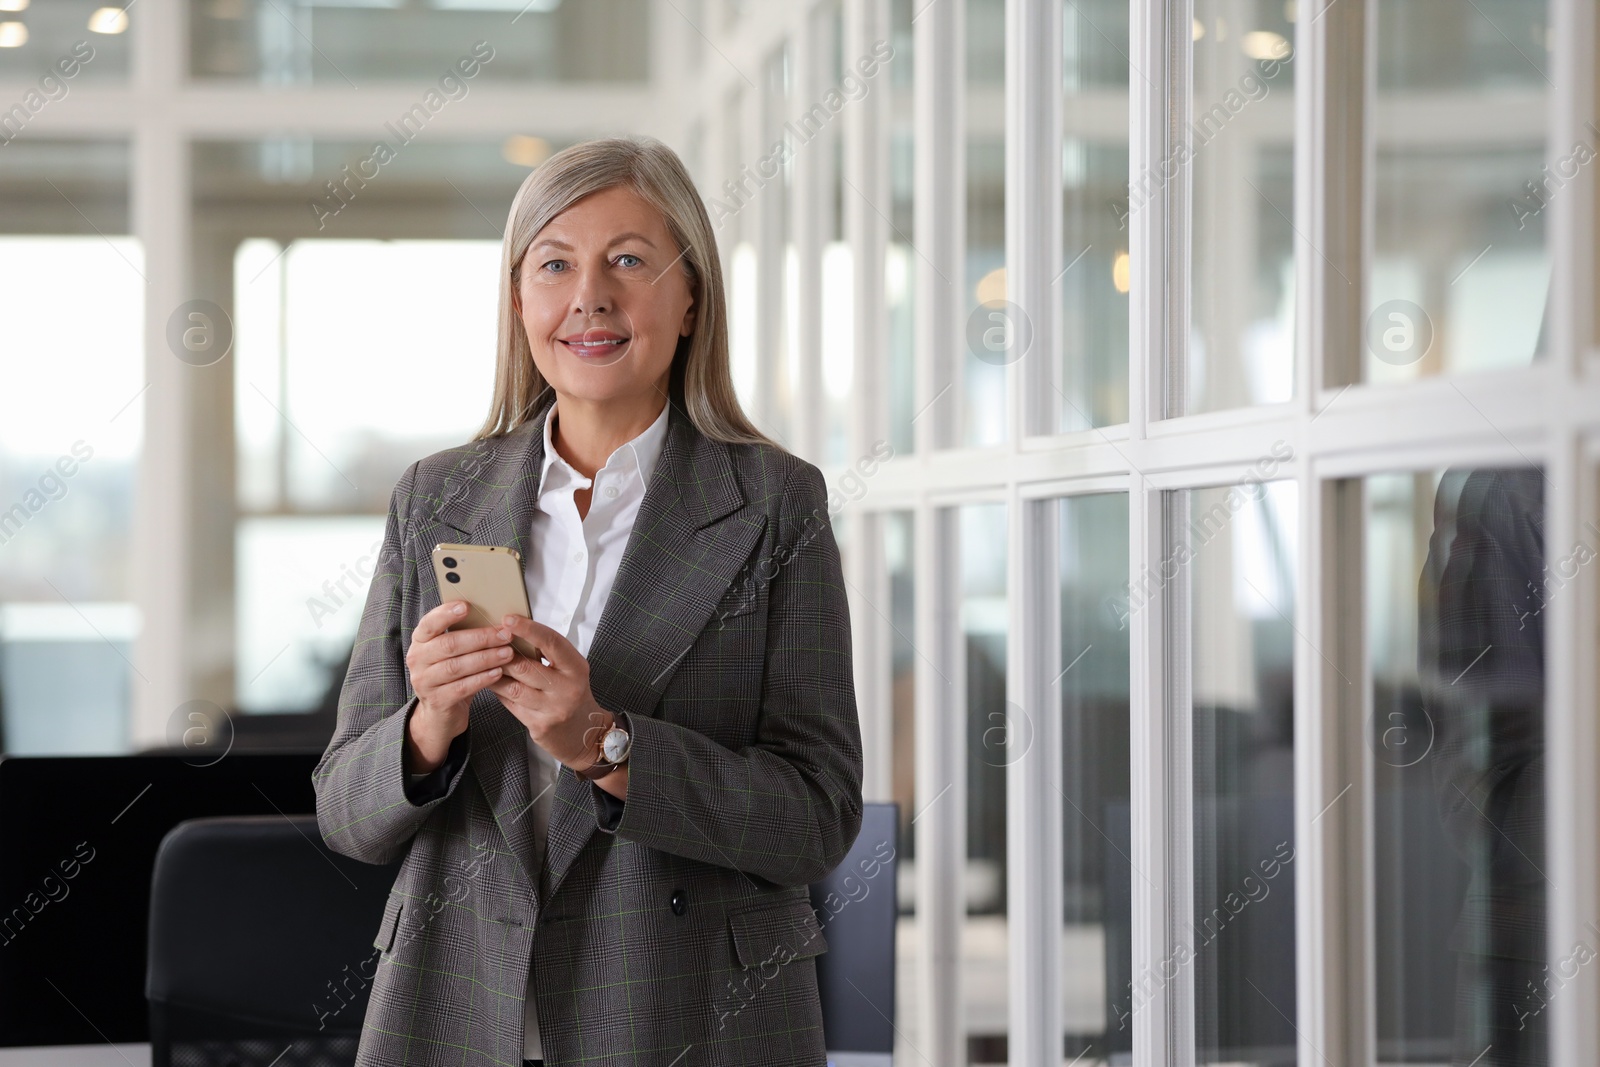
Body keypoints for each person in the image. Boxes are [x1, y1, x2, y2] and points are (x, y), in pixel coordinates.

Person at [313, 135, 864, 1067]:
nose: (589, 297)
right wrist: (428, 724)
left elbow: (815, 817)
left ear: (691, 299)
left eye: (629, 260)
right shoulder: (436, 497)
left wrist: (608, 747)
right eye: (554, 263)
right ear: (519, 300)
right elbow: (344, 811)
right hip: (455, 1013)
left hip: (688, 1013)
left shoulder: (775, 503)